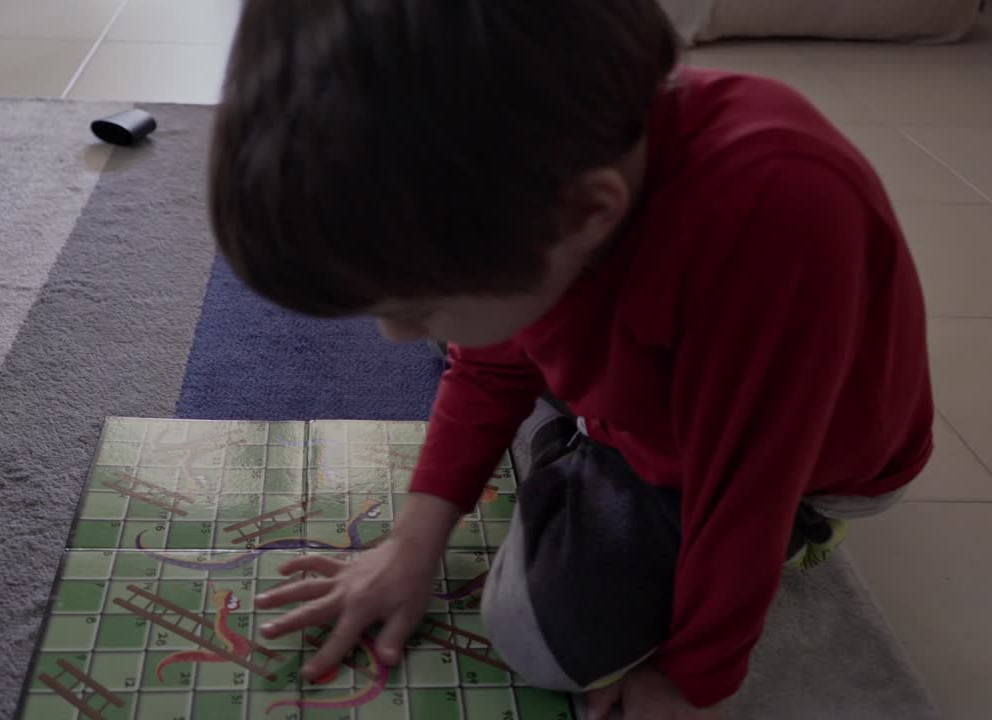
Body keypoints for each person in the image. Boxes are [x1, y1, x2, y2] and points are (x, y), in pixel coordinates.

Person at [207, 1, 934, 718]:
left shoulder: (779, 213)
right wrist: (411, 546)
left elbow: (748, 485)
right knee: (463, 309)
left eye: (412, 310)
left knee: (539, 638)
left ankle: (601, 454)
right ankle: (566, 421)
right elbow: (488, 361)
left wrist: (690, 681)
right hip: (645, 377)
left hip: (790, 465)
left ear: (589, 215)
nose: (394, 339)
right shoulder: (538, 185)